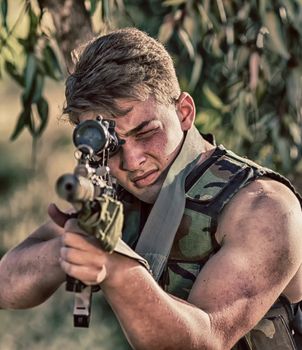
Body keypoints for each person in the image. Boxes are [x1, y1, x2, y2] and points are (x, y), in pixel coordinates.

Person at [0, 27, 302, 350]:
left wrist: (115, 265)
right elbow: (6, 283)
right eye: (113, 147)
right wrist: (67, 251)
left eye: (146, 132)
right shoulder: (116, 197)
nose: (132, 160)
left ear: (184, 112)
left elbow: (207, 339)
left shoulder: (264, 208)